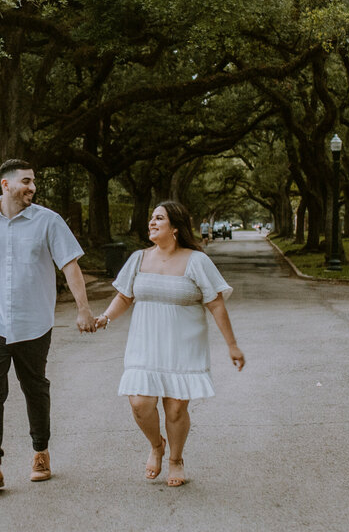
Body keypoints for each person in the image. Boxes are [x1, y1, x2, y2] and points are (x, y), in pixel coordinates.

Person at [0, 159, 96, 492]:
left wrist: (83, 309)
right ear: (6, 185)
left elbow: (70, 267)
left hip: (34, 322)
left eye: (34, 181)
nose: (32, 187)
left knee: (34, 388)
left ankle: (40, 453)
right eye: (26, 181)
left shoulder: (49, 221)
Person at [93, 200, 244, 487]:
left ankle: (176, 459)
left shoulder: (196, 261)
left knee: (175, 409)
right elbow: (124, 296)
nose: (152, 222)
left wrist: (232, 345)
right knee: (139, 403)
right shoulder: (138, 258)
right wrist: (105, 318)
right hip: (145, 343)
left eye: (159, 218)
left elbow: (216, 304)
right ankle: (156, 445)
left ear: (175, 227)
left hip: (184, 345)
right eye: (151, 217)